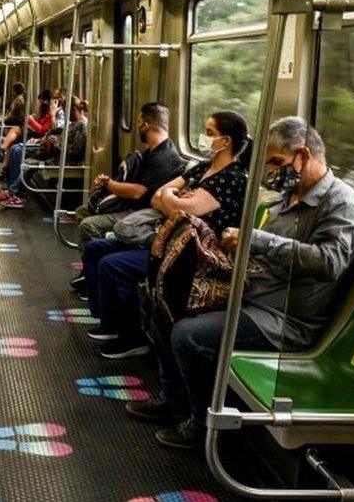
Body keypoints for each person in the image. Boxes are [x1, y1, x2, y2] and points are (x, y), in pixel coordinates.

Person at [128, 116, 354, 450]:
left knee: (188, 335)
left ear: (304, 154)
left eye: (277, 162)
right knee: (164, 301)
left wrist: (255, 241)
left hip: (281, 317)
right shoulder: (287, 199)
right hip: (250, 293)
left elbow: (329, 262)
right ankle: (174, 398)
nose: (273, 171)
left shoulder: (340, 203)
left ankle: (203, 424)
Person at [84, 111, 253, 359]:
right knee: (96, 248)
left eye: (209, 133)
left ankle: (133, 337)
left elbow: (185, 210)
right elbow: (158, 195)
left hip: (193, 252)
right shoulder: (203, 167)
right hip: (166, 236)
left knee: (114, 265)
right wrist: (174, 202)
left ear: (226, 141)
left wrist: (174, 200)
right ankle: (111, 324)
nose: (204, 138)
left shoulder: (232, 179)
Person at [73, 103, 182, 250]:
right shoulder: (151, 152)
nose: (137, 127)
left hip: (141, 211)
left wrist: (109, 184)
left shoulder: (164, 157)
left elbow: (137, 192)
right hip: (130, 205)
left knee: (88, 225)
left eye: (138, 122)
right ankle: (91, 259)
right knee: (82, 211)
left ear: (146, 124)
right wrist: (109, 182)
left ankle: (99, 261)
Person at [0, 96, 89, 209]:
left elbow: (74, 151)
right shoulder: (73, 124)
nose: (66, 115)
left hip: (66, 161)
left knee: (30, 163)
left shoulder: (82, 125)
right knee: (27, 159)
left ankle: (14, 194)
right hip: (58, 156)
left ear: (73, 110)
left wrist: (56, 143)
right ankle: (14, 193)